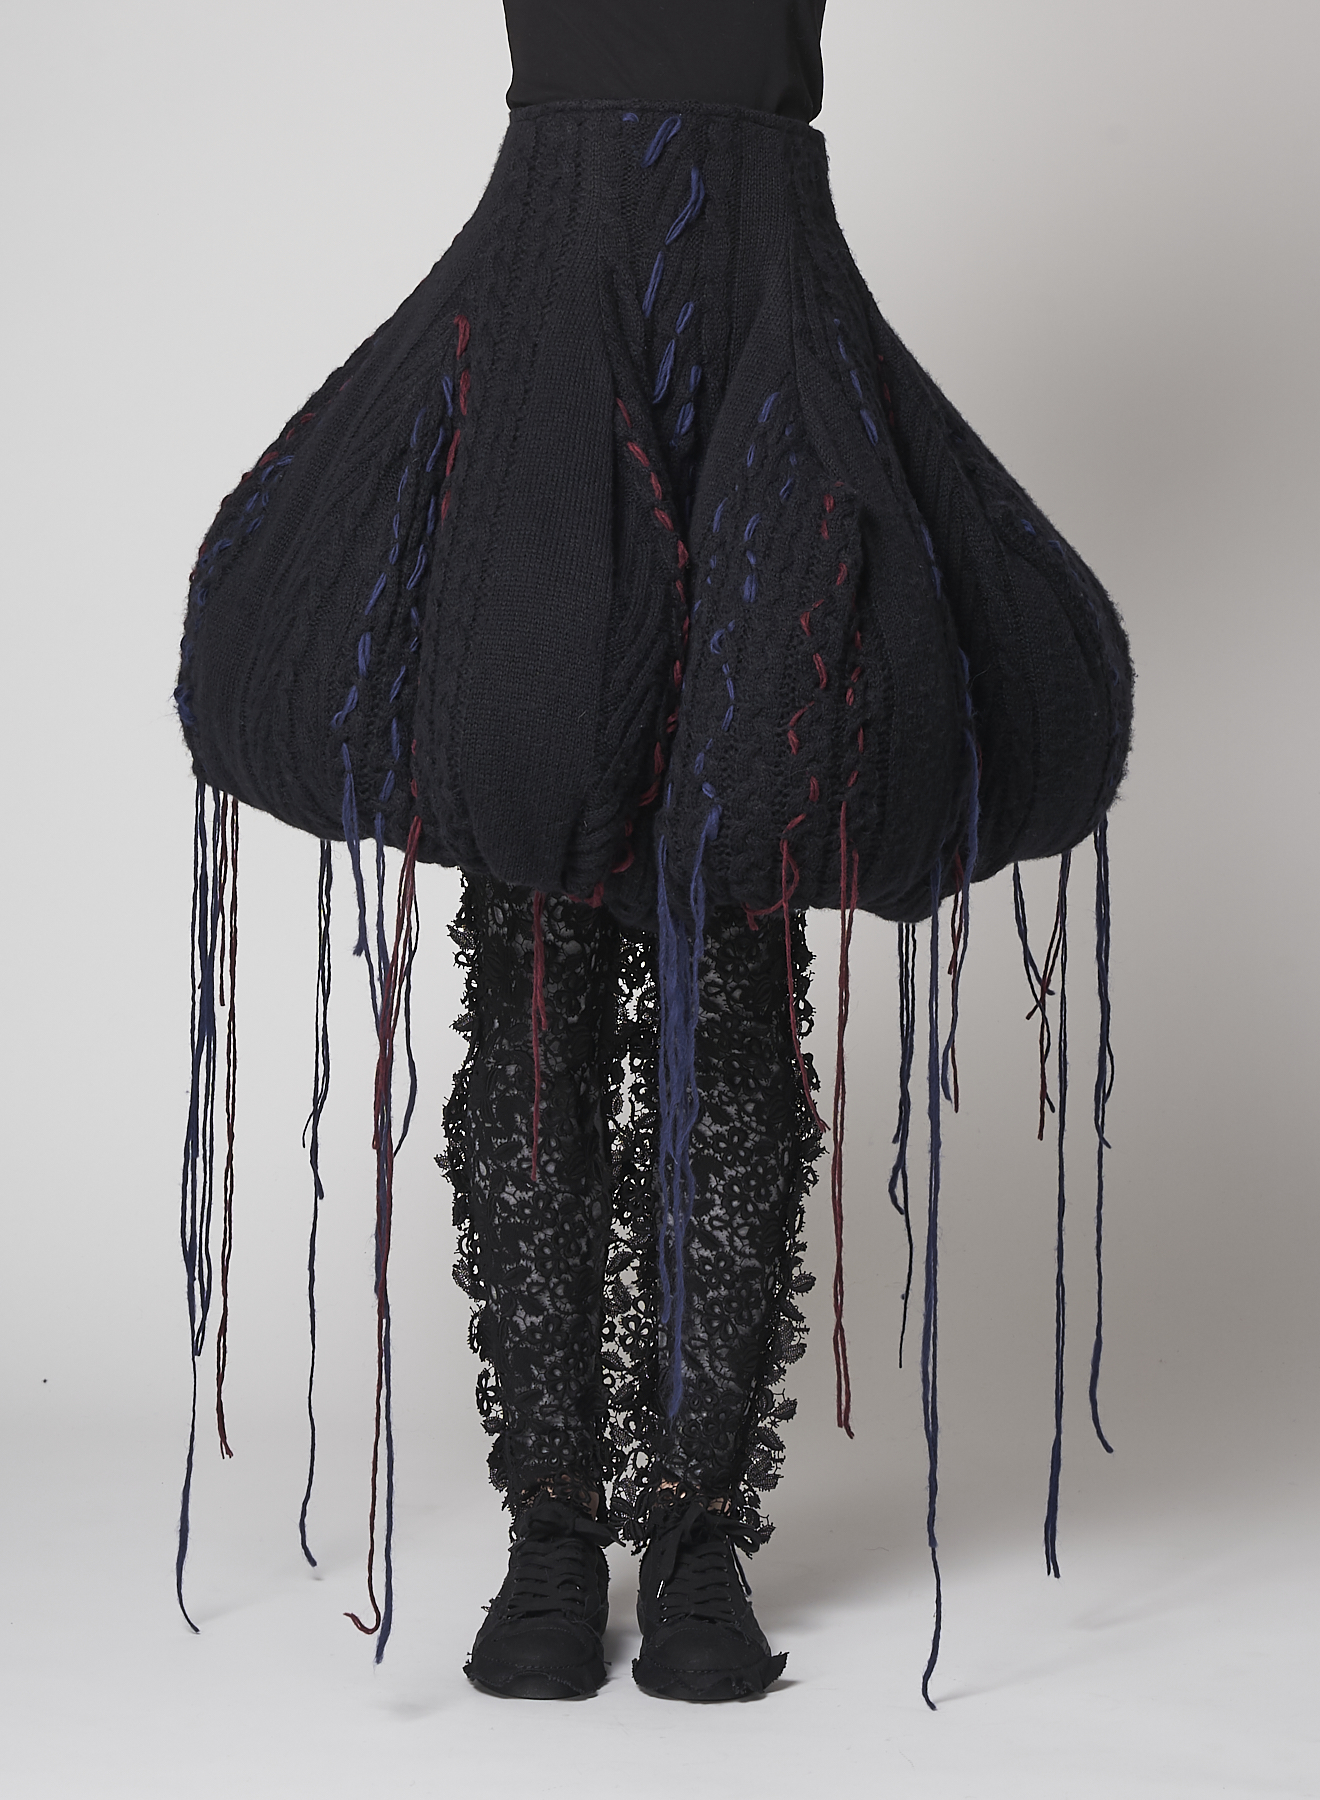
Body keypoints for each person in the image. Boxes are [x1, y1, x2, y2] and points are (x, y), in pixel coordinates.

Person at [175, 0, 1131, 1706]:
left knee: (736, 945)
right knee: (541, 947)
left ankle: (698, 1530)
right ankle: (554, 1524)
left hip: (768, 335)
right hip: (556, 326)